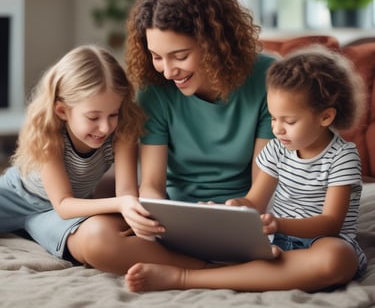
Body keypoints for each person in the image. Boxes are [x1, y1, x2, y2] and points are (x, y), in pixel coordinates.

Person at [125, 44, 367, 292]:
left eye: (289, 121)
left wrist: (280, 224)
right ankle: (266, 270)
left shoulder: (342, 156)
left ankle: (184, 278)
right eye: (273, 118)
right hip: (278, 241)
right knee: (261, 251)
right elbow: (254, 201)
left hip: (322, 241)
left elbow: (330, 223)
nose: (277, 129)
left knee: (336, 259)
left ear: (325, 117)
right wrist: (229, 209)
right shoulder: (277, 149)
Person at [0, 45, 207, 274]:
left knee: (107, 236)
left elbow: (125, 192)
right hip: (16, 198)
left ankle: (205, 267)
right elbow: (64, 204)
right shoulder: (49, 134)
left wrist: (130, 207)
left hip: (54, 214)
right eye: (93, 117)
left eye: (113, 114)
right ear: (62, 111)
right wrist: (121, 204)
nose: (105, 127)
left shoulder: (123, 129)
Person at [123, 0, 275, 241]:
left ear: (215, 44)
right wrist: (150, 215)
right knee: (98, 242)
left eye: (180, 56)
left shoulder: (268, 79)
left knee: (332, 260)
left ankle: (189, 272)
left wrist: (241, 210)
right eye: (157, 57)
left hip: (245, 215)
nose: (168, 72)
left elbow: (262, 185)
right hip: (176, 219)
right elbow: (152, 185)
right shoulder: (154, 92)